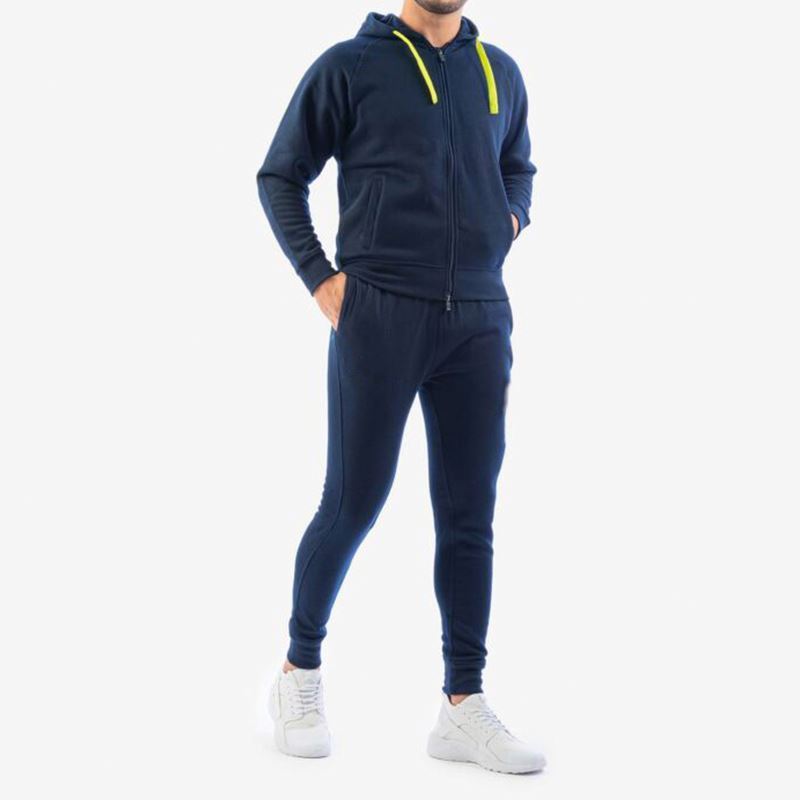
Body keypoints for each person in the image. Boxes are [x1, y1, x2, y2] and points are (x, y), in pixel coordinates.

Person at [257, 2, 544, 774]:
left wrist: (510, 219)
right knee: (353, 501)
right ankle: (298, 671)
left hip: (479, 317)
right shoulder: (351, 67)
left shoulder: (500, 74)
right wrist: (321, 279)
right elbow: (280, 174)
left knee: (470, 515)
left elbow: (518, 166)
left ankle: (462, 703)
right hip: (379, 312)